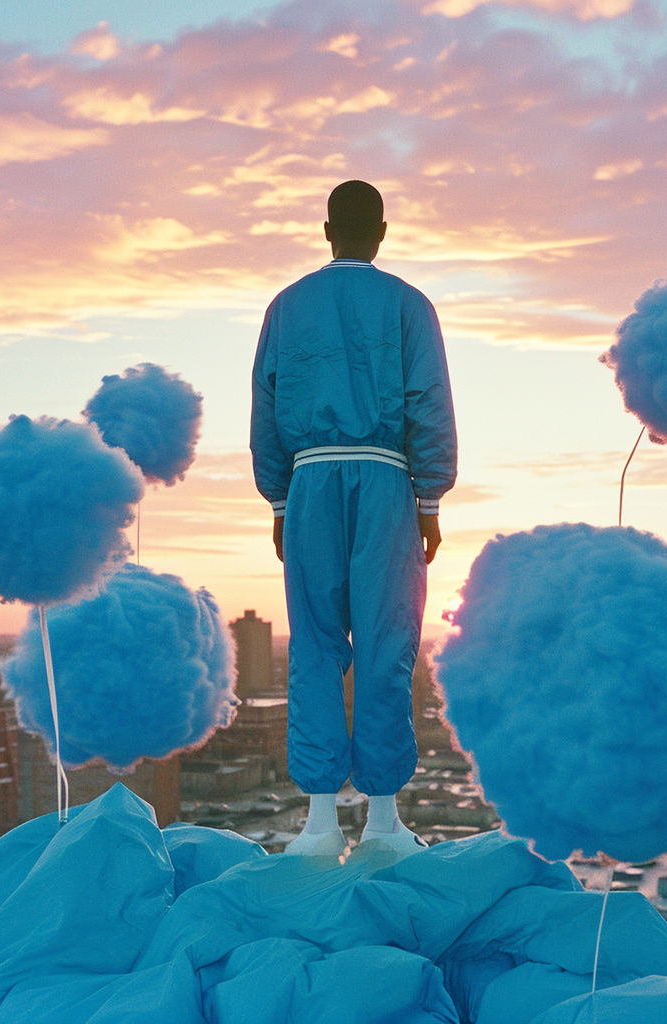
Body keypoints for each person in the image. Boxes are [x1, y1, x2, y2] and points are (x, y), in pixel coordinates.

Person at [251, 180, 457, 857]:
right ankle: (385, 821)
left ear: (326, 228)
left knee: (313, 644)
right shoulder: (408, 305)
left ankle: (316, 823)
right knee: (385, 643)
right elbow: (429, 400)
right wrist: (428, 499)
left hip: (310, 479)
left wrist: (281, 500)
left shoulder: (286, 307)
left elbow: (265, 404)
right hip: (385, 480)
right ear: (383, 230)